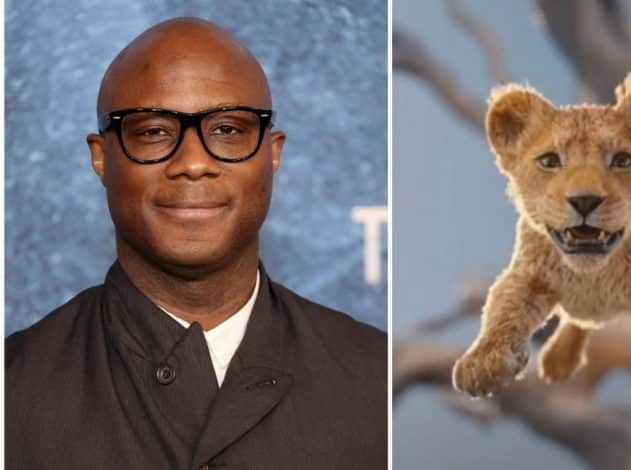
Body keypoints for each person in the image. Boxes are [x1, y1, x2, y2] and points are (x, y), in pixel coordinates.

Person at [6, 17, 386, 469]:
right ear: (101, 158)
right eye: (153, 131)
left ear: (274, 152)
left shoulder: (372, 380)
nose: (192, 163)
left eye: (227, 130)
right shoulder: (14, 392)